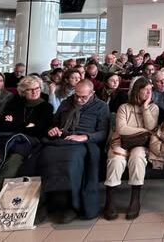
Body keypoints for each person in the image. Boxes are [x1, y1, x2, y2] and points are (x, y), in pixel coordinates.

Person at [39, 80, 110, 223]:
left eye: (83, 97)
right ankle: (50, 203)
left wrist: (85, 136)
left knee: (70, 161)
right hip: (63, 139)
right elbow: (55, 123)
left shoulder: (101, 107)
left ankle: (72, 205)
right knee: (46, 156)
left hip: (85, 142)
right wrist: (53, 129)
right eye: (77, 95)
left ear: (92, 93)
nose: (78, 99)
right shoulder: (66, 103)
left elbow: (104, 132)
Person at [0, 76, 53, 222]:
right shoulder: (15, 102)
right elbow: (4, 123)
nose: (34, 92)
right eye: (30, 90)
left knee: (12, 162)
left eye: (37, 89)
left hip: (28, 142)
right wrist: (26, 125)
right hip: (8, 138)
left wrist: (17, 124)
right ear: (23, 91)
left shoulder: (46, 106)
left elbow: (39, 130)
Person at [103, 77, 159, 220]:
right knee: (116, 158)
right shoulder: (124, 107)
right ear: (137, 91)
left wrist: (145, 107)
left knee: (138, 157)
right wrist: (143, 130)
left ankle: (135, 199)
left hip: (140, 144)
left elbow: (151, 127)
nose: (148, 93)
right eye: (145, 90)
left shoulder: (153, 107)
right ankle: (110, 199)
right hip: (120, 141)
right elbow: (122, 129)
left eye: (150, 90)